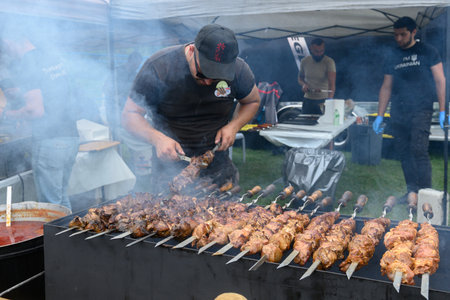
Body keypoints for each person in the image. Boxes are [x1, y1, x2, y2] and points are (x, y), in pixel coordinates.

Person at [121, 24, 261, 192]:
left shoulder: (239, 69)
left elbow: (252, 101)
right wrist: (157, 138)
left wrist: (234, 126)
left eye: (217, 77)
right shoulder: (159, 66)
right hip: (170, 171)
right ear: (193, 50)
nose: (208, 82)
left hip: (218, 168)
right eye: (203, 73)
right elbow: (130, 114)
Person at [0, 32, 79, 210]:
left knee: (50, 206)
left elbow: (35, 110)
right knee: (61, 202)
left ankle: (56, 238)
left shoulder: (28, 64)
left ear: (8, 40)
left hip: (50, 141)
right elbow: (54, 96)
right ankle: (66, 236)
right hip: (70, 137)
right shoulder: (51, 58)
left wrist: (6, 115)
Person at [372, 16, 446, 200]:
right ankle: (412, 191)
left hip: (421, 108)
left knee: (418, 150)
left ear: (414, 32)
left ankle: (426, 194)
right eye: (396, 35)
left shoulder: (428, 51)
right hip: (399, 110)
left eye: (402, 34)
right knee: (404, 152)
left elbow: (440, 80)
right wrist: (380, 115)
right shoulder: (392, 55)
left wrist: (444, 110)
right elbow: (386, 86)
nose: (398, 39)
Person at [103, 51, 143, 127]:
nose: (137, 67)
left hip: (126, 108)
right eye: (135, 64)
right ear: (130, 61)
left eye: (138, 65)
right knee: (115, 129)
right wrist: (116, 97)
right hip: (113, 108)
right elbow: (105, 88)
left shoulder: (134, 75)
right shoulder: (116, 72)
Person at [297, 38, 336, 115]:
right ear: (311, 49)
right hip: (308, 100)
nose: (319, 54)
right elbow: (300, 78)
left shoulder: (329, 62)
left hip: (323, 100)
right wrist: (304, 85)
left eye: (322, 51)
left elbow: (332, 85)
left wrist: (329, 101)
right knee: (306, 124)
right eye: (316, 51)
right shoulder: (304, 61)